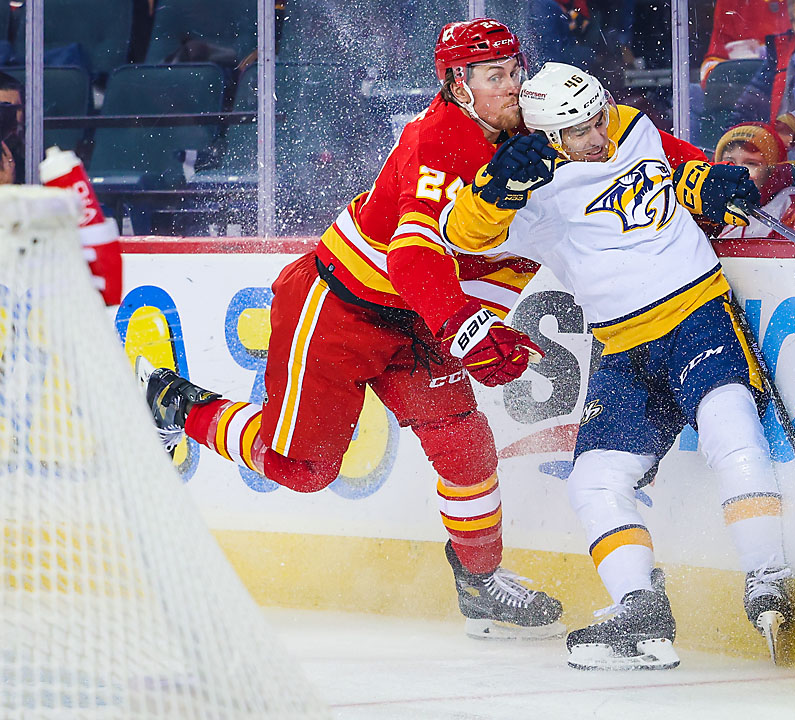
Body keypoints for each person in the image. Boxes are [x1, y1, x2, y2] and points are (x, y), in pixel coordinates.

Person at [138, 18, 565, 640]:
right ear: (457, 85)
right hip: (341, 310)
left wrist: (695, 173)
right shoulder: (436, 141)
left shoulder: (537, 119)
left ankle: (479, 582)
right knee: (306, 470)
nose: (512, 86)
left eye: (516, 71)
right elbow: (413, 258)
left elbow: (616, 134)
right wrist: (470, 326)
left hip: (416, 323)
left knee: (465, 444)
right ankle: (176, 400)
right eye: (494, 76)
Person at [441, 62, 793, 670]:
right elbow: (461, 235)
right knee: (594, 482)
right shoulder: (528, 191)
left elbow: (660, 172)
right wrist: (495, 189)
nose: (598, 137)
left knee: (729, 426)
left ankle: (767, 574)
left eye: (598, 116)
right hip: (622, 348)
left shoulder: (625, 125)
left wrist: (709, 185)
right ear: (548, 139)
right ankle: (640, 609)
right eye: (579, 132)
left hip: (697, 313)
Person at [713, 122, 795, 239]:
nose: (738, 171)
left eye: (751, 164)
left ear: (770, 171)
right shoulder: (708, 205)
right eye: (729, 162)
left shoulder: (789, 204)